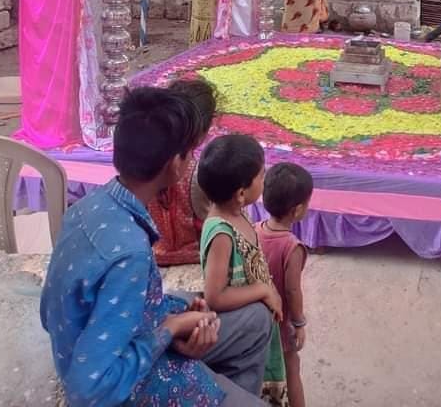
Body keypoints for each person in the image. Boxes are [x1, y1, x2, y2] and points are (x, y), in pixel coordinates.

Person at [40, 88, 272, 407]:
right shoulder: (129, 254)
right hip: (125, 388)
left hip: (116, 341)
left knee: (254, 321)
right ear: (175, 165)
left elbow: (56, 310)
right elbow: (89, 390)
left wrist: (170, 313)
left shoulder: (89, 206)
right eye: (190, 153)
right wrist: (169, 329)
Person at [198, 136, 288, 407]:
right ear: (240, 193)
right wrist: (263, 290)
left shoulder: (239, 213)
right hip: (241, 325)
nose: (265, 179)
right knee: (243, 381)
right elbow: (215, 296)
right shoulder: (222, 233)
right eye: (261, 175)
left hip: (256, 322)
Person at [257, 164, 313, 407]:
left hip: (258, 318)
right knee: (292, 368)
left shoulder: (254, 229)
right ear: (298, 210)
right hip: (281, 323)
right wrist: (299, 323)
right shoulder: (293, 246)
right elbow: (292, 290)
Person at [149, 76, 216, 267]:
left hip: (156, 253)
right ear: (204, 132)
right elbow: (211, 226)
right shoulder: (198, 174)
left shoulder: (147, 164)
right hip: (195, 256)